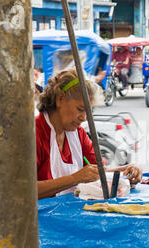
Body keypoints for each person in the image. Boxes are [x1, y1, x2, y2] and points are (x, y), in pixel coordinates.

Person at [36, 68, 142, 200]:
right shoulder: (34, 133)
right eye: (80, 109)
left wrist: (126, 170)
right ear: (60, 99)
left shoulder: (78, 133)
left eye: (88, 111)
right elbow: (23, 190)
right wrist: (74, 179)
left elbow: (94, 173)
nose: (84, 118)